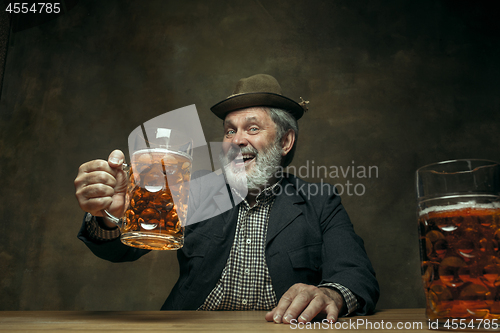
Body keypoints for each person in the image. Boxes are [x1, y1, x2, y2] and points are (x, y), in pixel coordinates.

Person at [74, 74, 379, 324]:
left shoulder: (320, 202)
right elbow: (122, 250)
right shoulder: (192, 192)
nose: (237, 140)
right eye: (230, 131)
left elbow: (356, 275)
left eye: (253, 128)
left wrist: (331, 294)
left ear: (285, 141)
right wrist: (111, 216)